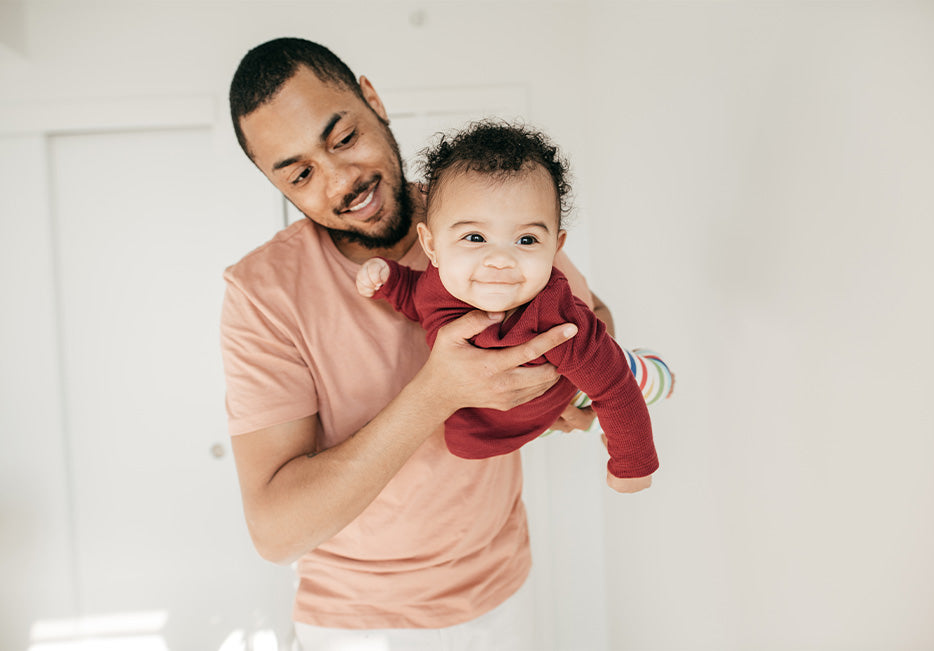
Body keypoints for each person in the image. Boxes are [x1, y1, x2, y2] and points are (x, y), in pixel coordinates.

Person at [222, 36, 668, 649]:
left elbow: (588, 315)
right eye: (301, 173)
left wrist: (574, 388)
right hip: (354, 623)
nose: (341, 180)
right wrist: (437, 393)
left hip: (500, 590)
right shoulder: (262, 293)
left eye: (343, 138)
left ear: (371, 99)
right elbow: (276, 534)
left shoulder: (486, 211)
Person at [356, 120, 658, 492]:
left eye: (526, 239)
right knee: (470, 441)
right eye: (475, 237)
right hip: (516, 419)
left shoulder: (555, 316)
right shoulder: (439, 284)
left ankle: (655, 372)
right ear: (432, 246)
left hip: (569, 391)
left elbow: (615, 388)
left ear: (556, 246)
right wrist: (388, 281)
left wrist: (631, 466)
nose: (500, 260)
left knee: (638, 379)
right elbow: (417, 299)